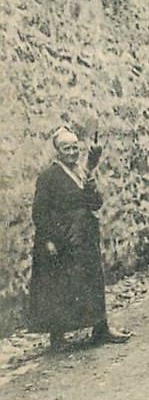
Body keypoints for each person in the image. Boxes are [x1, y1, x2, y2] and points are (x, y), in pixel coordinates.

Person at [28, 126, 132, 351]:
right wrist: (48, 240)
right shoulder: (49, 176)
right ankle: (57, 337)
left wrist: (91, 173)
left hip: (84, 236)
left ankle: (100, 329)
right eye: (67, 148)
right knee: (59, 286)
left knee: (93, 280)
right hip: (61, 238)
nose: (73, 152)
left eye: (75, 147)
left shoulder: (81, 172)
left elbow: (95, 203)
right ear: (58, 151)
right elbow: (39, 211)